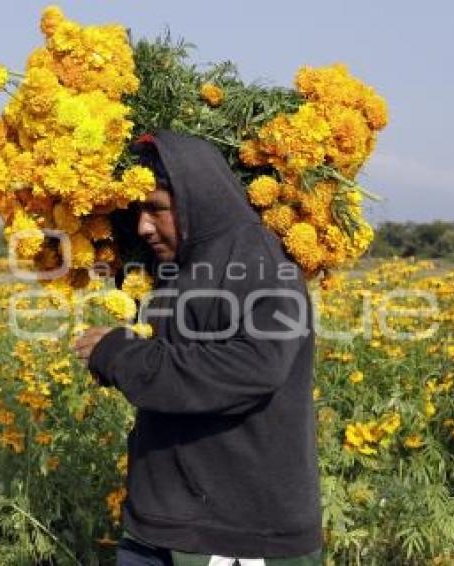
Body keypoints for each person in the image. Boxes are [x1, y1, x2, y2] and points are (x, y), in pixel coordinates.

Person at [73, 130, 323, 565]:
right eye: (138, 210)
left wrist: (123, 357)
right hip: (160, 522)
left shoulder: (258, 261)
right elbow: (180, 353)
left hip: (234, 535)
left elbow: (254, 367)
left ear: (196, 199)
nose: (143, 226)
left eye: (157, 209)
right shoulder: (178, 264)